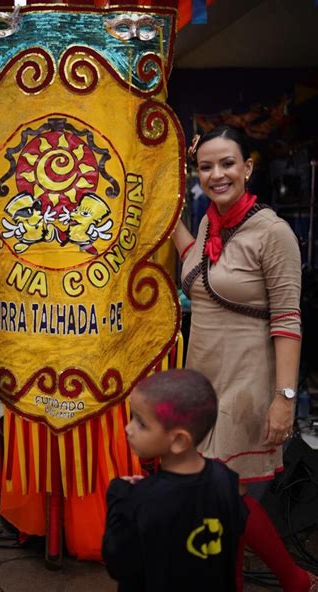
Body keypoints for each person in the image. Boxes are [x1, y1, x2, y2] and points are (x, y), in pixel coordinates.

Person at [172, 125, 318, 591]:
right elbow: (200, 267)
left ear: (248, 168)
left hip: (248, 380)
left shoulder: (273, 233)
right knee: (217, 494)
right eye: (206, 166)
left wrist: (285, 397)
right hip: (205, 378)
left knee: (224, 495)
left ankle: (295, 580)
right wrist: (167, 199)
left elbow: (289, 320)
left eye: (227, 163)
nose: (217, 174)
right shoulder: (207, 222)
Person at [102, 369, 248, 591]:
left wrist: (118, 499)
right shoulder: (226, 480)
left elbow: (118, 564)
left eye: (141, 424)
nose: (128, 428)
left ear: (179, 440)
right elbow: (236, 526)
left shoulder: (141, 499)